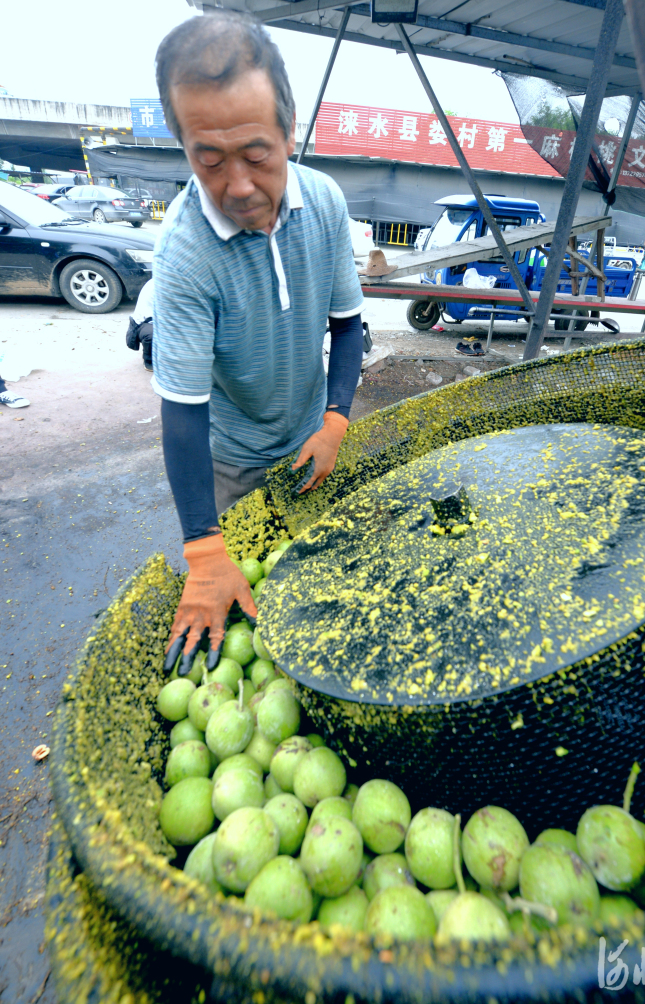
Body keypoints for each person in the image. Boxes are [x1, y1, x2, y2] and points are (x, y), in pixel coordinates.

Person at [152, 13, 364, 676]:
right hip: (230, 460)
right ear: (182, 143)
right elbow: (182, 411)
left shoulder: (324, 202)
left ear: (289, 131)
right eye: (208, 160)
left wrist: (334, 419)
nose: (238, 186)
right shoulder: (184, 255)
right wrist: (202, 550)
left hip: (308, 439)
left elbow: (348, 324)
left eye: (256, 154)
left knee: (319, 587)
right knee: (249, 615)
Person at [126, 278, 154, 370]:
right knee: (151, 334)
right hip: (144, 323)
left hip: (159, 320)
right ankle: (149, 360)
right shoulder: (158, 285)